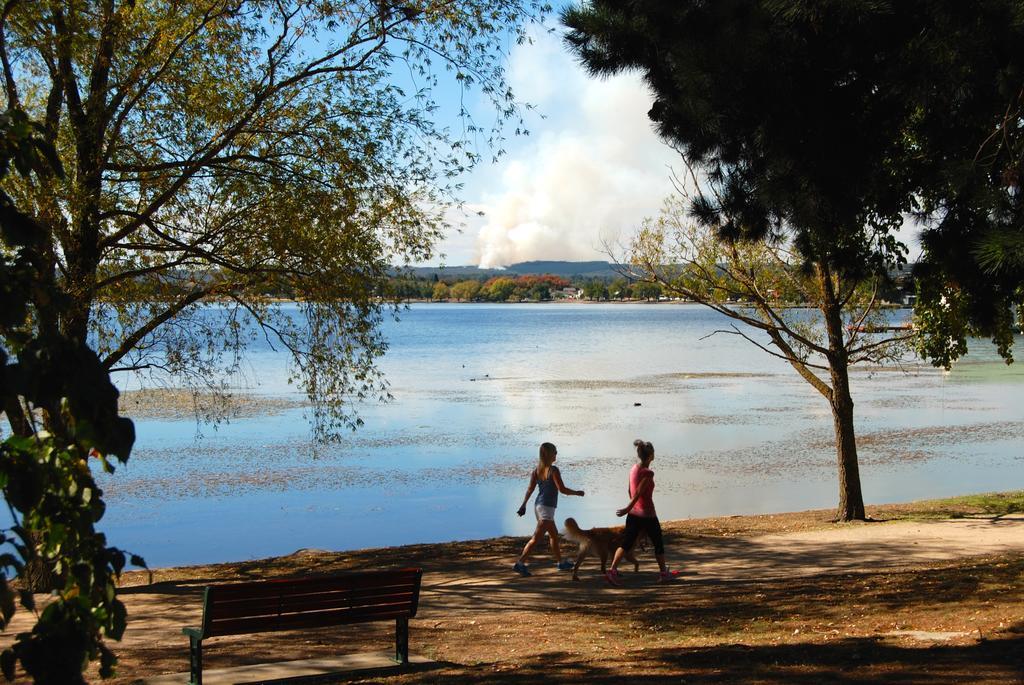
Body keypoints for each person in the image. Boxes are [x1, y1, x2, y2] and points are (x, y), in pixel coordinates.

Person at [605, 439, 674, 585]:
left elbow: (629, 490)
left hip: (634, 515)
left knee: (627, 543)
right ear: (651, 456)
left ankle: (612, 571)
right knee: (658, 543)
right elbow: (638, 493)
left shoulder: (633, 469)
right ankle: (663, 573)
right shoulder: (648, 473)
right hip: (647, 514)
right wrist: (627, 508)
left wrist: (631, 509)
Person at [513, 442, 584, 576]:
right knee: (536, 538)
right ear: (549, 454)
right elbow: (562, 489)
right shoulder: (553, 470)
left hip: (539, 506)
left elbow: (530, 489)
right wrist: (577, 493)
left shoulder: (537, 470)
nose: (556, 454)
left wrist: (524, 505)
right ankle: (520, 563)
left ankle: (560, 563)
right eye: (555, 452)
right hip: (545, 508)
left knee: (553, 535)